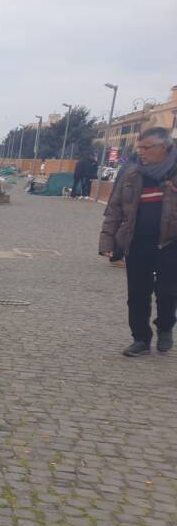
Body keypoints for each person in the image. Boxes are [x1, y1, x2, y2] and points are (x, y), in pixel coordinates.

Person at [99, 126, 177, 356]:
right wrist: (108, 243)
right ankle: (141, 339)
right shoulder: (130, 172)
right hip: (137, 241)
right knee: (137, 294)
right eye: (139, 147)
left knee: (168, 292)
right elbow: (114, 208)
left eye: (146, 147)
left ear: (164, 147)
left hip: (171, 242)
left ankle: (165, 328)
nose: (140, 152)